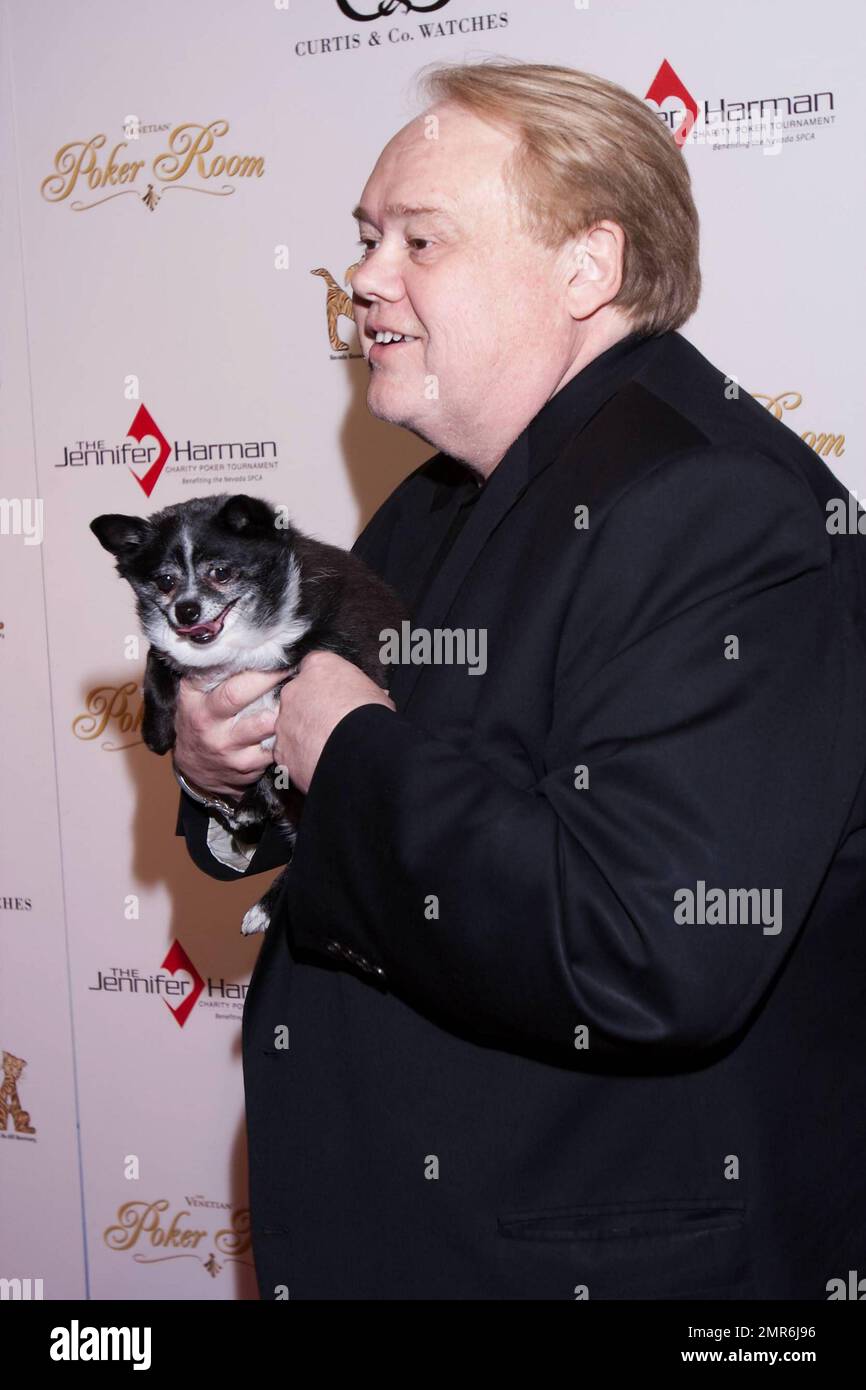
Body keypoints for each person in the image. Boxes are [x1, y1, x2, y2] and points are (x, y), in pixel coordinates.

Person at [173, 61, 866, 1300]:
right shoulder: (436, 500)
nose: (367, 278)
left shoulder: (713, 504)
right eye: (366, 237)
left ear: (585, 268)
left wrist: (345, 751)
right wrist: (233, 770)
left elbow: (644, 944)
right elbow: (399, 798)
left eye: (419, 239)